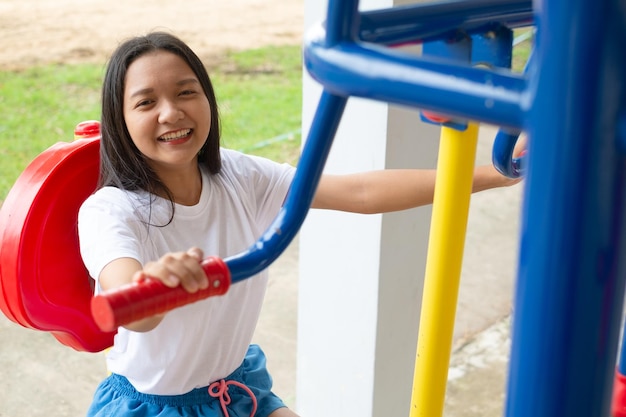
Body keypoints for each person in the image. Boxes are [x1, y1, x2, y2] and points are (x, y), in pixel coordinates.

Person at [78, 31, 521, 417]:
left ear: (208, 98)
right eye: (146, 102)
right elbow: (126, 300)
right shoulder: (110, 211)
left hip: (232, 391)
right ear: (121, 120)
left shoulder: (237, 176)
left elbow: (360, 192)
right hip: (155, 408)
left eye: (186, 92)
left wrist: (493, 174)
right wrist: (152, 287)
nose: (171, 112)